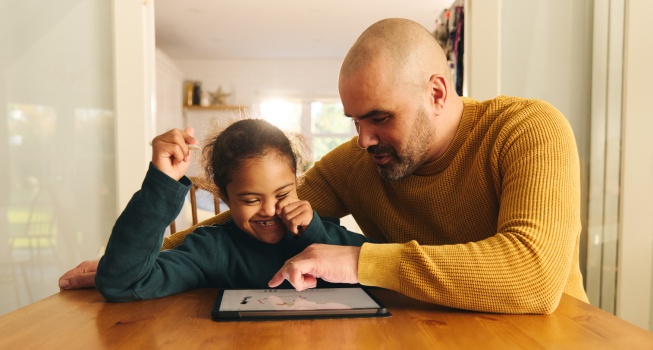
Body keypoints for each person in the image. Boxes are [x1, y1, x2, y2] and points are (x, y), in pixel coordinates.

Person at [60, 18, 587, 314]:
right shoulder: (360, 161)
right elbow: (256, 218)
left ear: (436, 91)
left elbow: (535, 278)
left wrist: (359, 262)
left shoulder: (528, 130)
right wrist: (134, 259)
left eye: (379, 117)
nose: (363, 139)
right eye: (355, 120)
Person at [94, 119, 380, 301]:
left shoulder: (327, 235)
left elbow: (385, 271)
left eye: (283, 193)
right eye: (251, 199)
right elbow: (123, 284)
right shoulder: (212, 249)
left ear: (297, 183)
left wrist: (317, 233)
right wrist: (161, 184)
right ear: (225, 198)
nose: (270, 210)